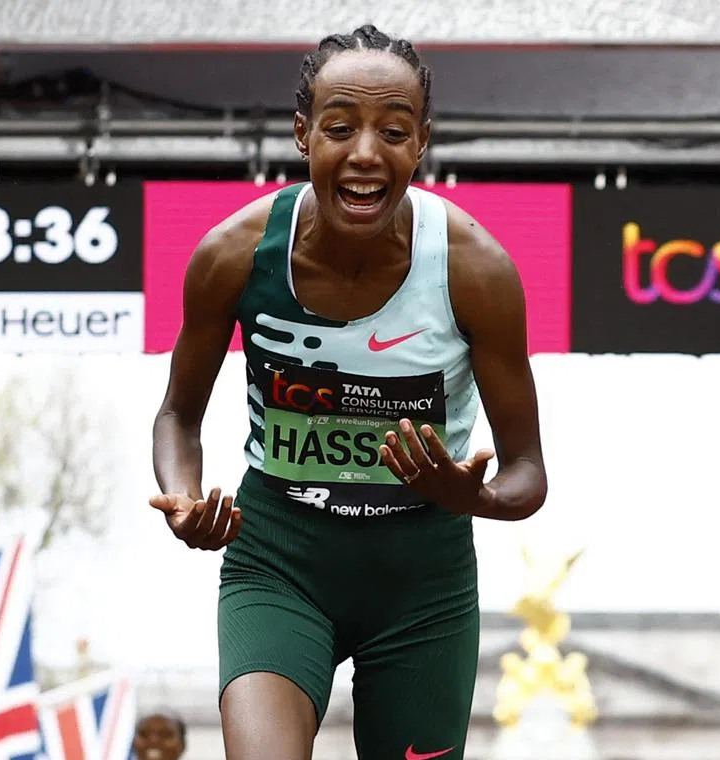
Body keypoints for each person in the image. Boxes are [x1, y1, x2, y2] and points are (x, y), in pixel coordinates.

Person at [148, 22, 548, 760]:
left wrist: (475, 498)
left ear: (421, 142)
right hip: (279, 560)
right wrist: (183, 496)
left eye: (393, 131)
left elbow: (527, 472)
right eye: (339, 128)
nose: (365, 153)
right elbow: (177, 414)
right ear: (304, 134)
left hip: (422, 582)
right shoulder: (232, 254)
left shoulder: (477, 269)